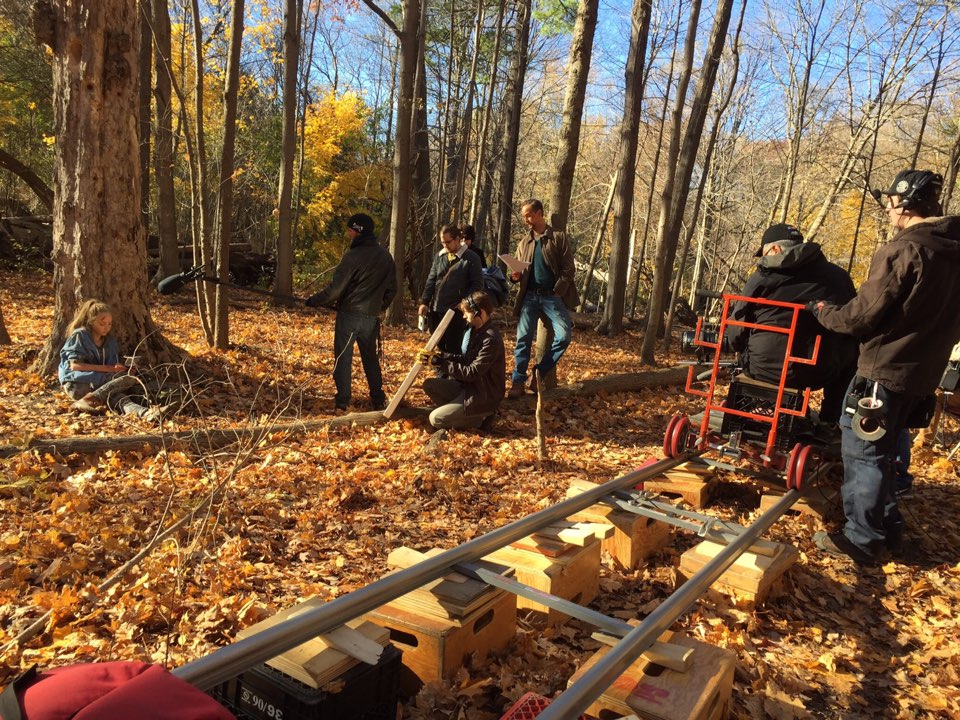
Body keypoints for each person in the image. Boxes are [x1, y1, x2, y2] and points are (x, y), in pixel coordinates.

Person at [807, 169, 960, 563]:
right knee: (887, 451)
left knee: (863, 453)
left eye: (890, 202)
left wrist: (823, 312)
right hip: (922, 376)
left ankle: (862, 540)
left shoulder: (905, 250)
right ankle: (888, 530)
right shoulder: (952, 252)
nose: (888, 210)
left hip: (883, 371)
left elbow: (860, 317)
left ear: (905, 204)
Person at [726, 223, 858, 425]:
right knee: (852, 354)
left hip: (760, 366)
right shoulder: (839, 277)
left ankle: (755, 407)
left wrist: (738, 346)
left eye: (764, 253)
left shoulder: (762, 276)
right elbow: (850, 325)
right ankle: (831, 420)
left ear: (775, 248)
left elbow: (737, 328)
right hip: (816, 371)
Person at [305, 212, 397, 412]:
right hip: (371, 318)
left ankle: (342, 401)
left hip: (349, 316)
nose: (348, 234)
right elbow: (392, 289)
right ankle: (378, 398)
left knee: (343, 358)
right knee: (370, 358)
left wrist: (314, 301)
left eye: (350, 230)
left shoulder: (352, 256)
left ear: (358, 231)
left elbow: (335, 290)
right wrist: (379, 307)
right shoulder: (386, 257)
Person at [507, 199, 578, 398]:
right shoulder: (524, 242)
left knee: (564, 336)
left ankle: (538, 374)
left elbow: (569, 269)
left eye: (529, 215)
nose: (526, 220)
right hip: (529, 296)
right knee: (523, 339)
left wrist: (558, 291)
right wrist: (515, 276)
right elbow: (518, 271)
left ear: (539, 213)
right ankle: (517, 382)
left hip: (551, 297)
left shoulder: (557, 237)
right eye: (524, 216)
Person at [59, 300, 166, 421]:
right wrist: (109, 369)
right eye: (102, 324)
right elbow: (75, 366)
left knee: (117, 395)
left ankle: (145, 413)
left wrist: (122, 368)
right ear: (91, 321)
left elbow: (112, 366)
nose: (106, 328)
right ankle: (89, 399)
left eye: (109, 324)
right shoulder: (80, 336)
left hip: (101, 383)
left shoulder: (109, 340)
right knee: (128, 380)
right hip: (77, 383)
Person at [417, 291, 505, 429]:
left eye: (466, 313)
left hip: (483, 396)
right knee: (429, 385)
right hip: (470, 389)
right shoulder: (476, 331)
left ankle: (479, 419)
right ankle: (460, 413)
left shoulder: (490, 339)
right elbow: (466, 359)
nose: (464, 316)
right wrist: (441, 357)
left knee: (436, 419)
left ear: (479, 312)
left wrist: (440, 363)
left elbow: (472, 372)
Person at [418, 225, 483, 356]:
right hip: (437, 309)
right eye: (443, 242)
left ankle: (454, 369)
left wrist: (464, 302)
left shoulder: (472, 258)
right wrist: (425, 301)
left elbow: (477, 285)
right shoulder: (439, 256)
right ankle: (441, 369)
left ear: (457, 239)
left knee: (454, 348)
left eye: (448, 242)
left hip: (457, 312)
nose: (445, 245)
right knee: (439, 347)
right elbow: (431, 280)